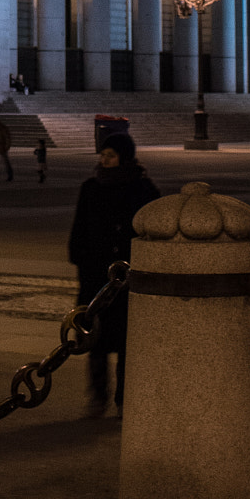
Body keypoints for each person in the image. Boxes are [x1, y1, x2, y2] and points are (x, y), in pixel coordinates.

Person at [68, 133, 160, 417]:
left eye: (110, 155)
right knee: (95, 340)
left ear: (125, 157)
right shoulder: (91, 188)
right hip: (95, 278)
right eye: (103, 154)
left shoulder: (143, 190)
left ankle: (124, 400)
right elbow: (79, 229)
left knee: (126, 344)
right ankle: (98, 397)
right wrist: (81, 258)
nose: (104, 160)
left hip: (127, 279)